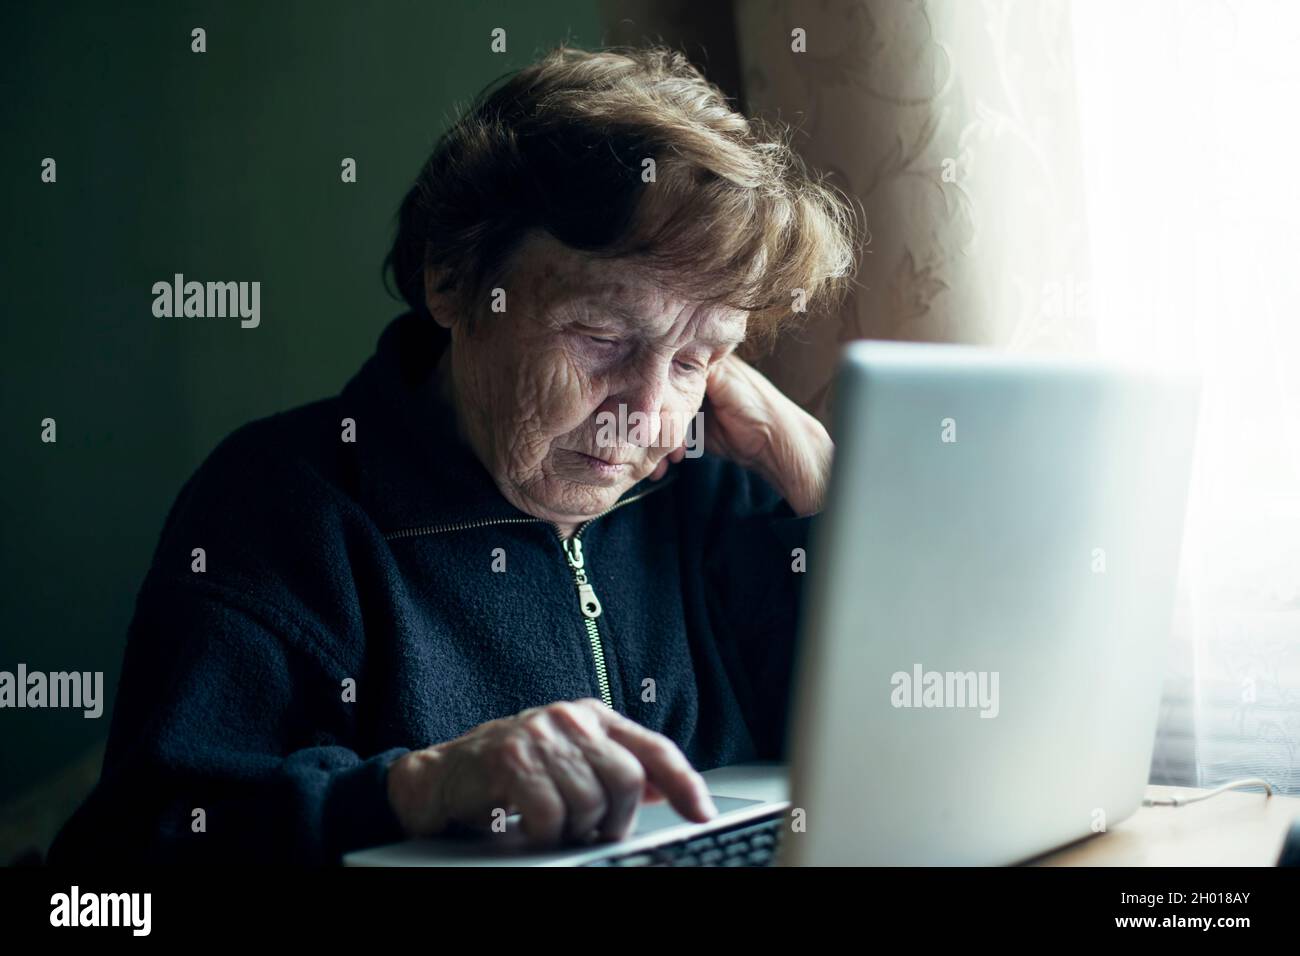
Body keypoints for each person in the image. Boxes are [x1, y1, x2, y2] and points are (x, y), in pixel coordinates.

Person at [48, 45, 857, 865]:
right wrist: (418, 792)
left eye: (695, 359)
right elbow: (127, 863)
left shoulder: (728, 498)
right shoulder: (282, 504)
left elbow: (915, 756)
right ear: (452, 279)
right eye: (601, 336)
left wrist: (823, 487)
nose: (648, 416)